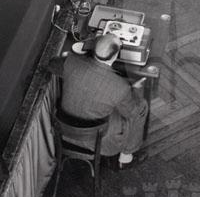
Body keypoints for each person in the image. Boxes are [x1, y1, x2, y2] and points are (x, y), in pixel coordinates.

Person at [48, 33, 148, 168]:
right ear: (115, 55)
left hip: (64, 133)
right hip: (100, 142)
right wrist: (134, 90)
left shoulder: (71, 62)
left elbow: (52, 65)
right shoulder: (120, 87)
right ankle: (126, 157)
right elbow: (133, 112)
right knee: (141, 107)